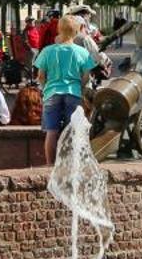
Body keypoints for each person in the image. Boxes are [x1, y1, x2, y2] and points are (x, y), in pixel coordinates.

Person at [35, 14, 96, 165]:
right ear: (76, 31)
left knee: (51, 131)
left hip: (52, 93)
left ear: (58, 30)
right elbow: (87, 76)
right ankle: (71, 163)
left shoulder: (48, 51)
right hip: (73, 93)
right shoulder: (81, 52)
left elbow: (41, 76)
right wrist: (79, 87)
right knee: (73, 131)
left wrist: (46, 88)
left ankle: (50, 164)